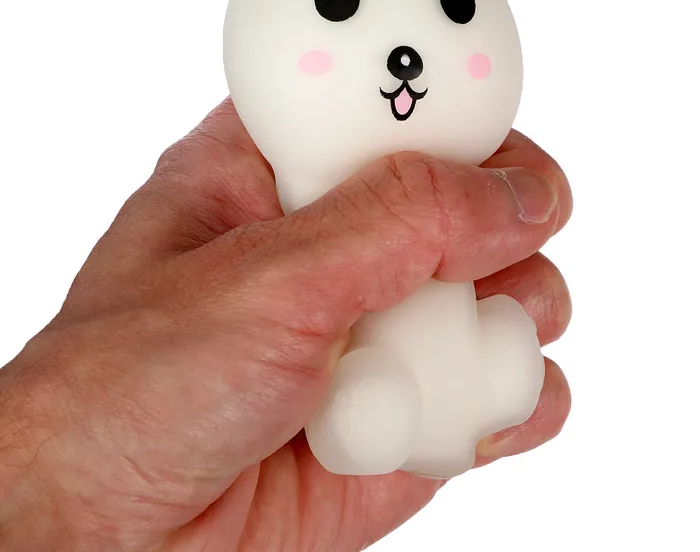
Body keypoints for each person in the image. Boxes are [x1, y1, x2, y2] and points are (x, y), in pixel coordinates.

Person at [0, 98, 572, 551]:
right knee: (372, 400)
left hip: (459, 375)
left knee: (511, 336)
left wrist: (52, 497)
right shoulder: (305, 160)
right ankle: (371, 418)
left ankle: (470, 389)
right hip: (365, 392)